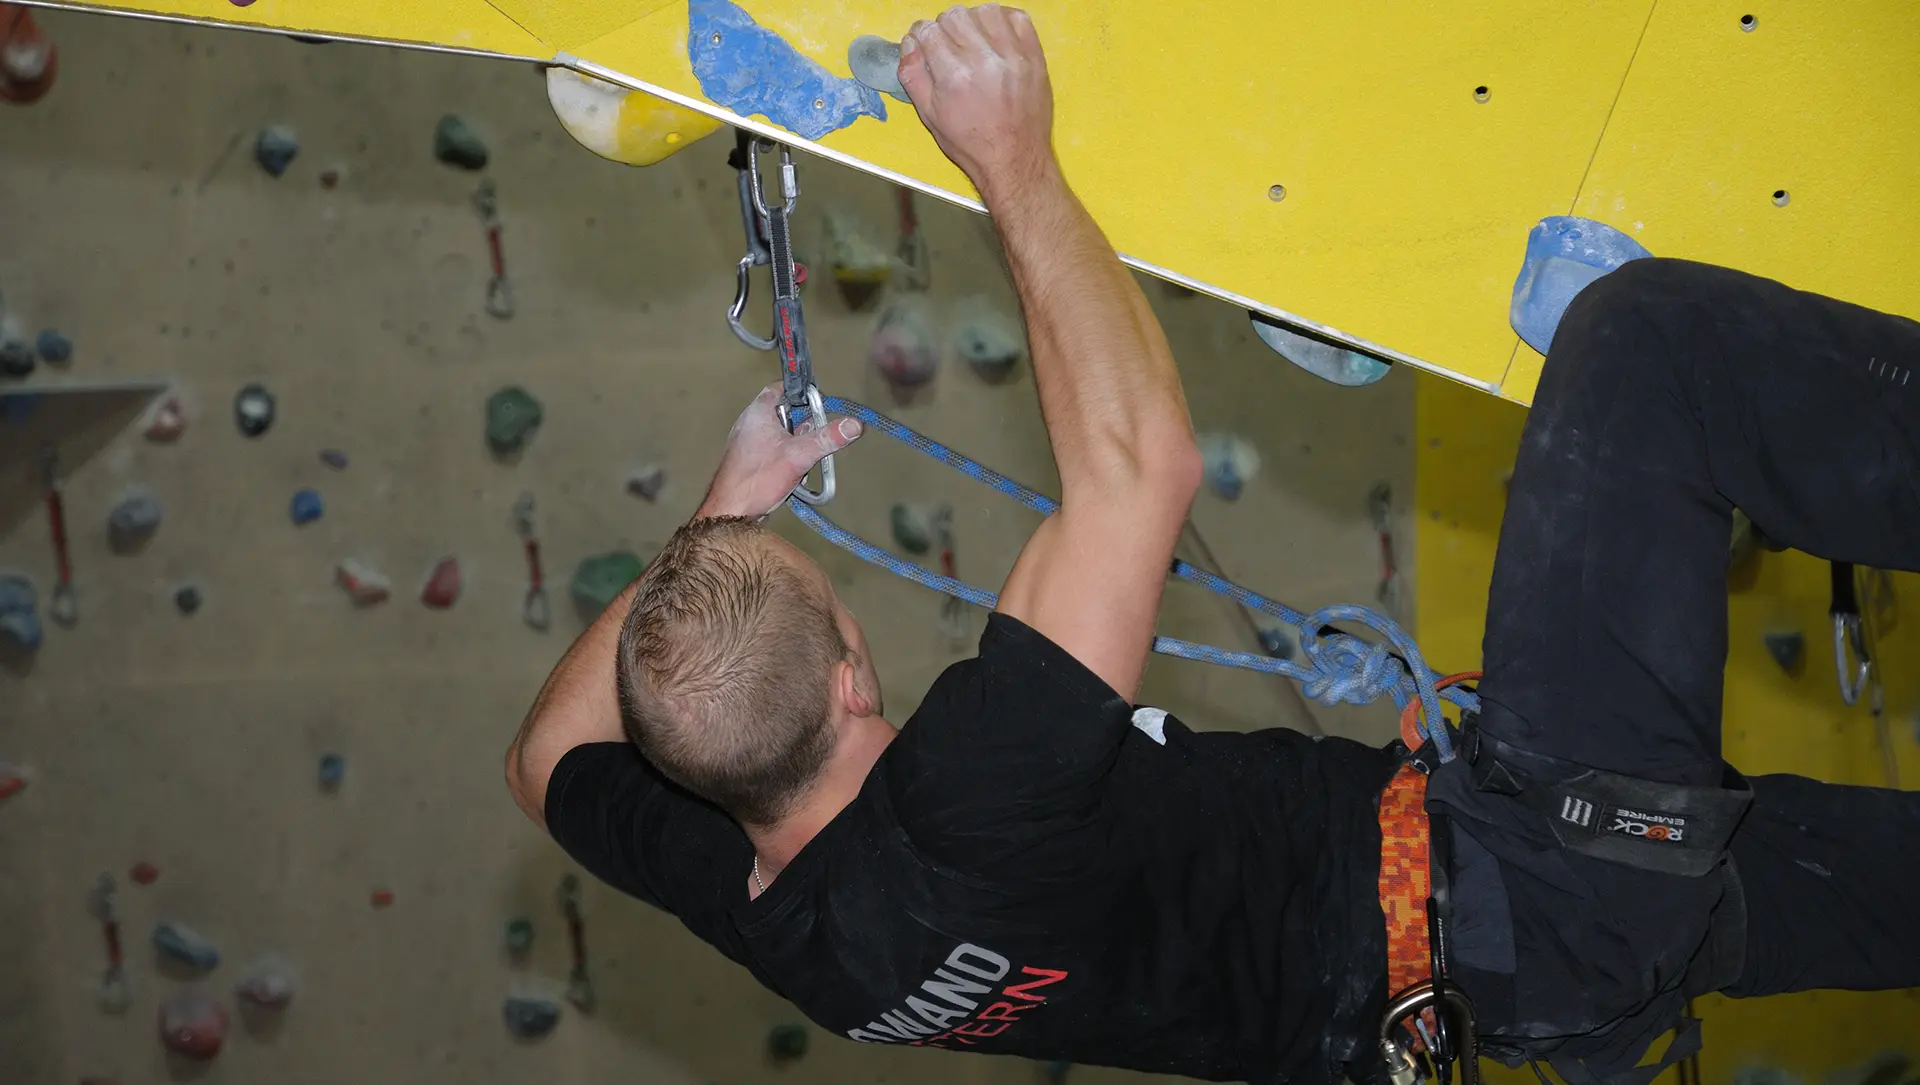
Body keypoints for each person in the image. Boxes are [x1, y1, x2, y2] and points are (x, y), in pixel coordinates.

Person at [505, 6, 1920, 1083]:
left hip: (1548, 977)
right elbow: (1138, 470)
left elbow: (544, 762)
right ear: (849, 678)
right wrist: (1011, 160)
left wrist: (718, 534)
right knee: (1645, 354)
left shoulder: (788, 924)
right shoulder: (968, 794)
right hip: (1530, 870)